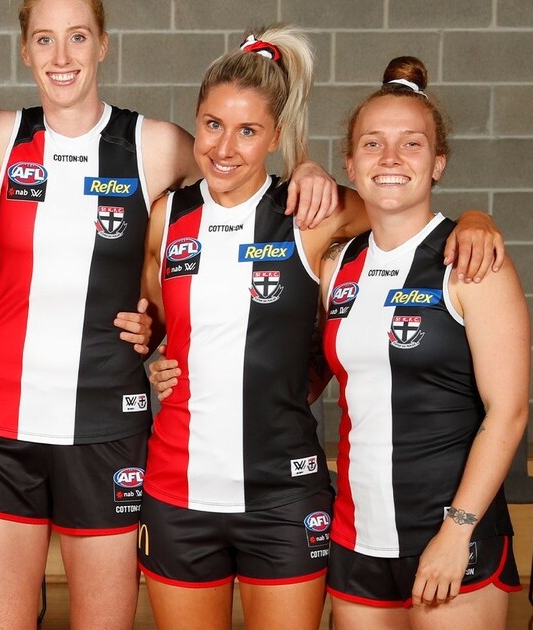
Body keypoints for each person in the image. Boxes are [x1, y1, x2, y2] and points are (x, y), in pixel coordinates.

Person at [0, 5, 345, 629]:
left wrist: (306, 169)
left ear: (103, 44)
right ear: (24, 49)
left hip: (109, 423)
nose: (62, 56)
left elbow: (240, 181)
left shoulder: (157, 145)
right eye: (44, 40)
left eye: (77, 36)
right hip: (3, 420)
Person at [140, 30, 503, 630]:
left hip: (285, 496)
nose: (224, 147)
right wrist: (158, 359)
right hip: (177, 489)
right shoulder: (167, 217)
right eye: (212, 125)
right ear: (196, 122)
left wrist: (475, 217)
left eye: (248, 130)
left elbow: (408, 217)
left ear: (275, 135)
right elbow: (158, 329)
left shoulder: (312, 213)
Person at [320, 56, 526, 629]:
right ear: (351, 163)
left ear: (437, 164)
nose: (390, 158)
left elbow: (508, 412)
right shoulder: (336, 265)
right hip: (357, 536)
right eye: (373, 144)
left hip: (450, 534)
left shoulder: (471, 262)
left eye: (411, 144)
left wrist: (456, 532)